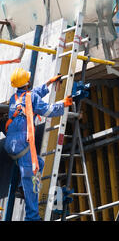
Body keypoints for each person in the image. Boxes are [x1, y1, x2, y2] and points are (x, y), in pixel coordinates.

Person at [4, 67, 73, 221]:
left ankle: (22, 188)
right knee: (31, 182)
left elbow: (32, 95)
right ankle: (32, 217)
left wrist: (49, 82)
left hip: (12, 143)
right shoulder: (30, 97)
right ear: (27, 81)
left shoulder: (15, 98)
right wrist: (64, 104)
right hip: (23, 142)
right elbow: (48, 111)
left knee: (39, 164)